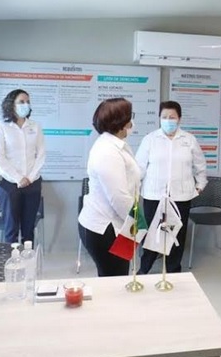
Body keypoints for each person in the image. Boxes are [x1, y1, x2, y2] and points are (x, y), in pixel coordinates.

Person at [136, 101, 207, 274]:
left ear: (179, 119)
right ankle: (144, 269)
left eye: (172, 117)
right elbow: (139, 168)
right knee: (152, 234)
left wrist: (200, 185)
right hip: (153, 195)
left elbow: (200, 165)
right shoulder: (150, 139)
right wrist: (135, 189)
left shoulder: (189, 140)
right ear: (159, 118)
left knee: (177, 235)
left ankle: (174, 270)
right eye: (164, 117)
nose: (168, 120)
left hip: (181, 196)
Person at [78, 98, 140, 277]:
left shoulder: (116, 145)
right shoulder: (108, 151)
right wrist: (138, 223)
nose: (132, 121)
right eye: (130, 116)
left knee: (117, 277)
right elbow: (119, 197)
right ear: (120, 122)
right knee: (114, 280)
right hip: (106, 228)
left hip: (119, 224)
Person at [0, 89, 45, 244]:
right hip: (9, 184)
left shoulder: (35, 126)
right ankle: (12, 259)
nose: (25, 105)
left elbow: (41, 154)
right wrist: (19, 178)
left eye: (27, 102)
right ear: (11, 104)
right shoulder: (1, 126)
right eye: (21, 102)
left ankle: (29, 259)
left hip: (32, 183)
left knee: (29, 230)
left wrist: (30, 178)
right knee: (11, 230)